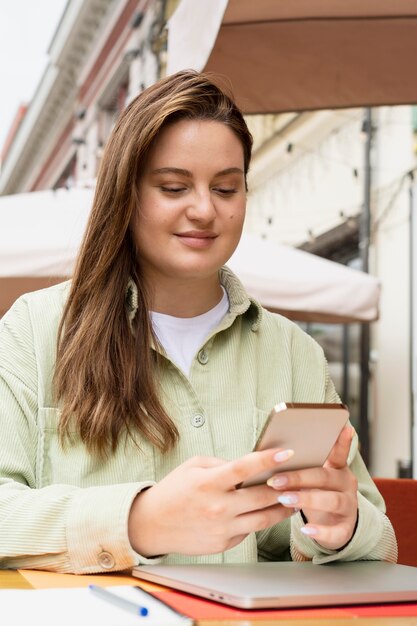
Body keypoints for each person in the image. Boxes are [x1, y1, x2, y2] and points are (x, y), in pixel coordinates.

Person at [0, 70, 396, 574]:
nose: (205, 210)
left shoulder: (294, 353)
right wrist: (140, 520)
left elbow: (381, 544)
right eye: (173, 187)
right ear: (126, 194)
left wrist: (342, 527)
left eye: (227, 188)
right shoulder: (33, 332)